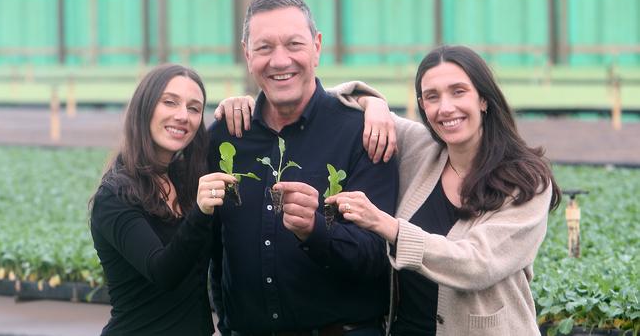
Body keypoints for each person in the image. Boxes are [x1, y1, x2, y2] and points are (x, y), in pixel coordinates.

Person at [218, 45, 561, 335]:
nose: (446, 108)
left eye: (459, 92)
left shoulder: (527, 181)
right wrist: (375, 104)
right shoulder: (421, 149)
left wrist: (389, 228)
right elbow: (324, 99)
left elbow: (476, 263)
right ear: (422, 106)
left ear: (484, 99)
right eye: (432, 97)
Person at [208, 0, 399, 336]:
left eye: (294, 44)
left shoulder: (364, 133)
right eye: (264, 48)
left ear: (317, 47)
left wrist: (316, 230)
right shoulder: (227, 134)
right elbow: (212, 245)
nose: (280, 61)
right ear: (247, 54)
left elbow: (378, 255)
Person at [89, 64, 235, 335]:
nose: (183, 116)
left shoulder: (186, 180)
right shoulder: (114, 195)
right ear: (144, 108)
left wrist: (240, 105)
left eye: (194, 108)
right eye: (170, 102)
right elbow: (163, 272)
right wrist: (200, 213)